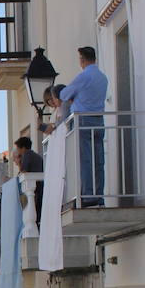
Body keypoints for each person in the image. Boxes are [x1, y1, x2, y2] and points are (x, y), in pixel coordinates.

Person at [61, 46, 108, 205]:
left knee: (85, 159)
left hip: (83, 120)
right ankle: (98, 194)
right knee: (99, 159)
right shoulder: (103, 77)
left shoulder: (84, 77)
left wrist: (75, 98)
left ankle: (88, 195)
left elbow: (64, 94)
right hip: (99, 120)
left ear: (82, 59)